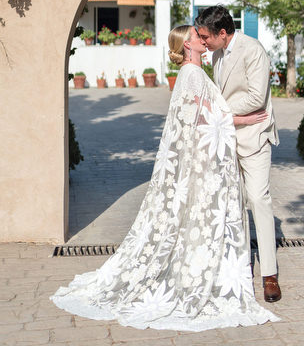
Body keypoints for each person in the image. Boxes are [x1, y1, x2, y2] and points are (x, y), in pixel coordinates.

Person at [50, 25, 279, 331]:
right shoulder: (192, 75)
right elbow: (204, 117)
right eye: (198, 36)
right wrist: (246, 119)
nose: (203, 39)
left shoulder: (193, 73)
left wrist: (231, 118)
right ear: (188, 44)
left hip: (203, 161)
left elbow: (207, 112)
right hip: (202, 163)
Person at [195, 6, 282, 303]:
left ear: (223, 33)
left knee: (258, 199)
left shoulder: (253, 50)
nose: (203, 41)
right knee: (236, 204)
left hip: (255, 136)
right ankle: (242, 265)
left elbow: (257, 97)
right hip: (229, 137)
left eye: (206, 36)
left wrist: (219, 110)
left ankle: (269, 275)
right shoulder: (217, 54)